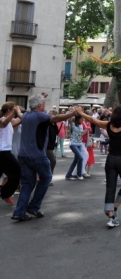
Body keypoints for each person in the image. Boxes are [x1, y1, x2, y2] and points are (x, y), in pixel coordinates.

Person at [12, 94, 77, 222]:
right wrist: (72, 113)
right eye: (43, 103)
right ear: (40, 105)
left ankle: (19, 212)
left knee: (26, 184)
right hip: (37, 155)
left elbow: (20, 115)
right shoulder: (40, 116)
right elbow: (56, 117)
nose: (44, 105)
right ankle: (33, 207)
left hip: (23, 155)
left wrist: (18, 111)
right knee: (46, 178)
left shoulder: (26, 116)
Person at [1, 103, 22, 205]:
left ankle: (5, 194)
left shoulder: (12, 122)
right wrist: (14, 112)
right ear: (9, 110)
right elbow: (4, 123)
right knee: (17, 170)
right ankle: (5, 194)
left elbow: (21, 119)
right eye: (13, 109)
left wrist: (19, 112)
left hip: (6, 152)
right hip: (2, 152)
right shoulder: (1, 120)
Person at [65, 115, 87, 180]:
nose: (82, 121)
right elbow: (69, 119)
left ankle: (68, 175)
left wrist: (86, 131)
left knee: (76, 160)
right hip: (73, 144)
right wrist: (74, 112)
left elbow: (80, 134)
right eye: (81, 119)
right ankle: (79, 174)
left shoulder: (81, 126)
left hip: (79, 144)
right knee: (80, 158)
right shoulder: (73, 125)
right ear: (78, 119)